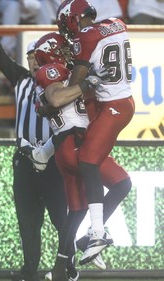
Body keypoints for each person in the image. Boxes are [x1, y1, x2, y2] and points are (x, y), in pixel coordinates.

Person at [0, 1, 72, 280]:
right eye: (30, 57)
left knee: (61, 220)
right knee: (28, 222)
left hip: (55, 161)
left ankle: (66, 267)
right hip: (23, 161)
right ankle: (29, 271)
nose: (32, 62)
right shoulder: (21, 79)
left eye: (38, 57)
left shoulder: (65, 86)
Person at [33, 31, 131, 280]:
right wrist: (88, 83)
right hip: (75, 145)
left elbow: (51, 105)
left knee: (75, 212)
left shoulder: (61, 72)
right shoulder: (52, 70)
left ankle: (60, 268)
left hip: (65, 148)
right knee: (122, 183)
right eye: (63, 48)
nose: (69, 51)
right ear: (53, 52)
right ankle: (94, 235)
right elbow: (56, 99)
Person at [56, 0, 135, 265]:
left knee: (88, 162)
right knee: (120, 182)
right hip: (117, 103)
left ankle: (97, 234)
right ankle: (88, 238)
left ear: (74, 19)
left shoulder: (85, 38)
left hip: (112, 106)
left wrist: (75, 68)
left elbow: (77, 82)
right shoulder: (117, 24)